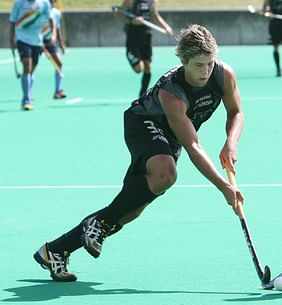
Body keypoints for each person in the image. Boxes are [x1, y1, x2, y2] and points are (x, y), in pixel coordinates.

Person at [33, 24, 245, 282]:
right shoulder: (172, 92)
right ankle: (96, 224)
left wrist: (230, 142)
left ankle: (55, 250)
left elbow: (236, 111)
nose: (205, 71)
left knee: (131, 209)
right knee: (166, 173)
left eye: (209, 63)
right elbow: (193, 146)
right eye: (198, 65)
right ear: (184, 61)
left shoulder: (224, 75)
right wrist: (223, 186)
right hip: (143, 122)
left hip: (171, 136)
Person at [114, 0, 174, 97]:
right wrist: (131, 21)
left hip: (146, 38)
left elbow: (155, 16)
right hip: (133, 38)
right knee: (139, 69)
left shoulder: (152, 1)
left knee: (148, 67)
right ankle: (131, 55)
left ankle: (142, 95)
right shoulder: (129, 1)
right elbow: (118, 15)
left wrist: (166, 27)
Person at [9, 0, 54, 110]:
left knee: (31, 70)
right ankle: (26, 99)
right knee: (27, 66)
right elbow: (12, 21)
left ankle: (28, 91)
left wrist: (51, 36)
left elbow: (49, 20)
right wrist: (11, 39)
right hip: (22, 40)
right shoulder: (19, 3)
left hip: (37, 41)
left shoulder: (44, 3)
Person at [42, 0, 67, 99]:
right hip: (38, 40)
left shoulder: (56, 13)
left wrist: (61, 43)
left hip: (52, 42)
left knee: (59, 64)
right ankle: (28, 93)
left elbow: (57, 28)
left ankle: (58, 90)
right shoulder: (40, 10)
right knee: (31, 67)